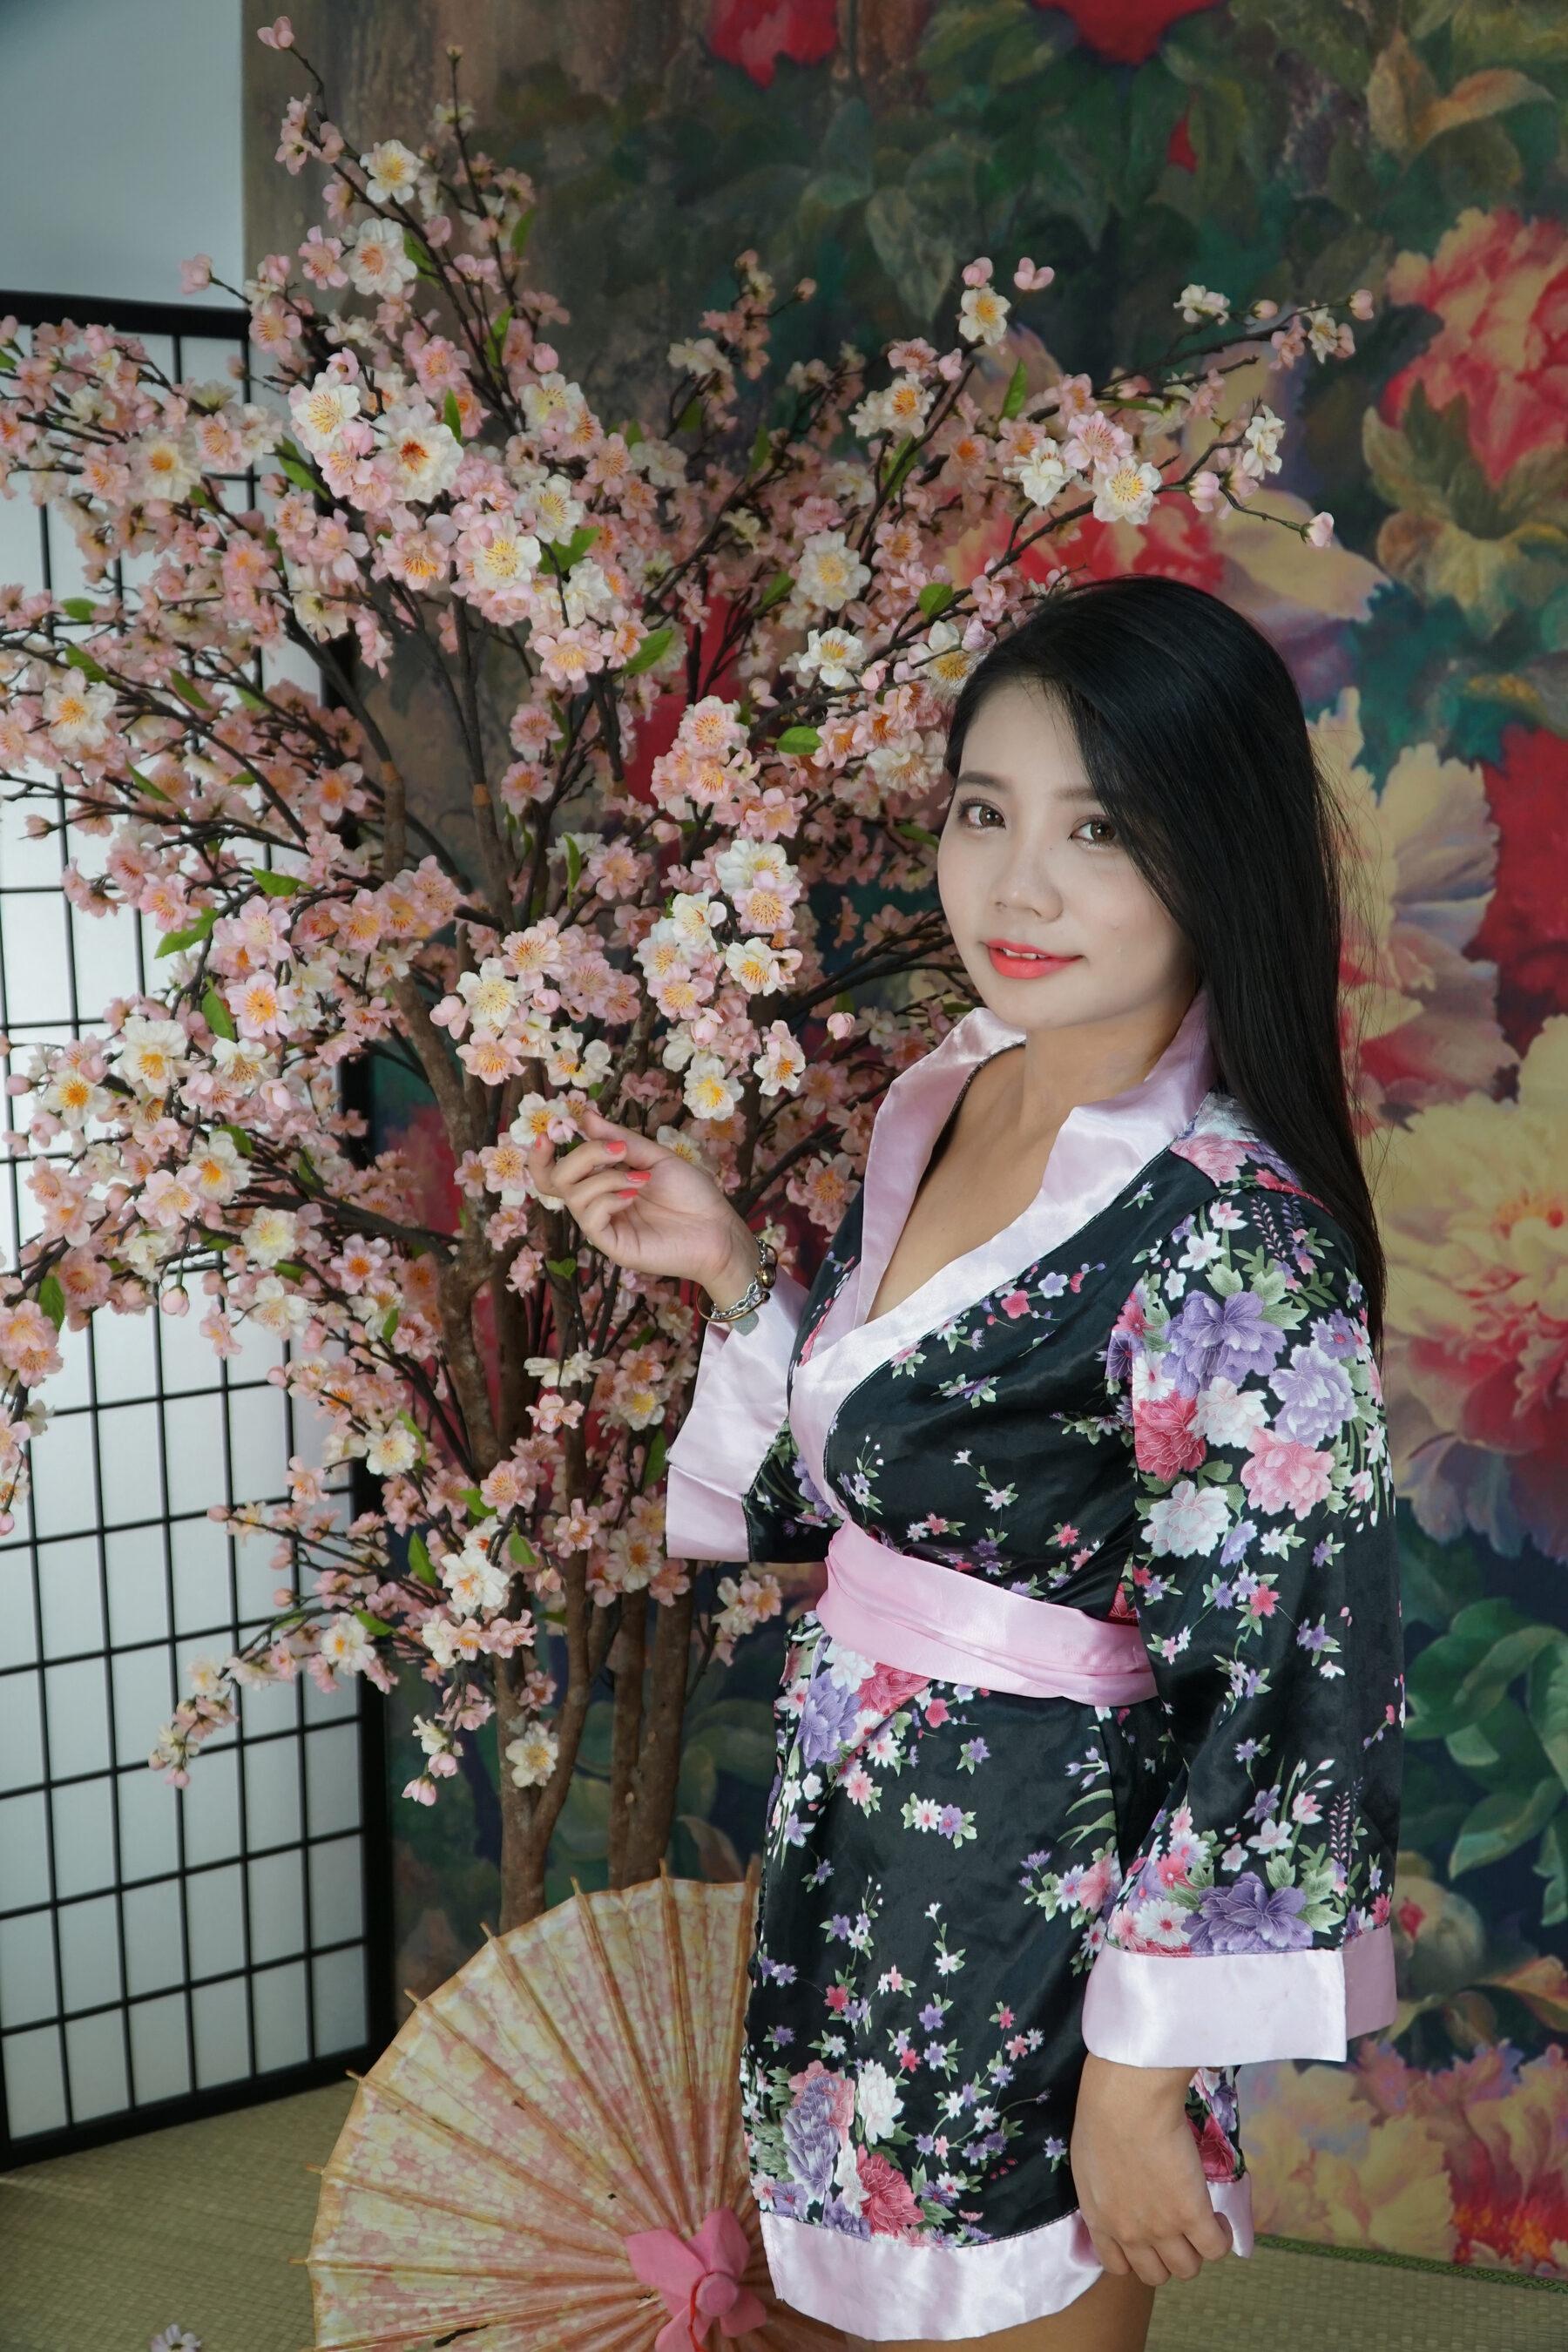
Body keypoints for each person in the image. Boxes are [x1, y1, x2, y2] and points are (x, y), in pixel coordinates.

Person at [530, 573, 1404, 2350]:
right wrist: (732, 1276)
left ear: (1217, 851)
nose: (1019, 886)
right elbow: (890, 1497)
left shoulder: (1231, 1237)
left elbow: (1290, 1686)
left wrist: (1139, 2078)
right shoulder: (952, 1096)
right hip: (851, 1851)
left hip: (1039, 1918)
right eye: (985, 812)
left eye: (1102, 829)